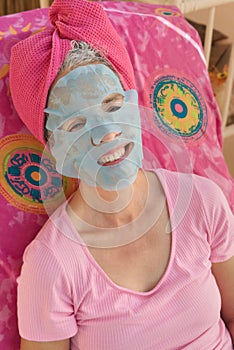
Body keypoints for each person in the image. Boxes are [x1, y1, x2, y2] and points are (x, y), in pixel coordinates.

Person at [9, 0, 234, 349]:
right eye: (76, 123)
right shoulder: (51, 265)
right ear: (54, 150)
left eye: (113, 104)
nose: (106, 133)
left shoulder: (204, 202)